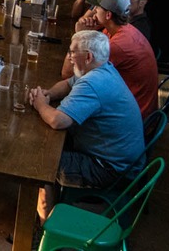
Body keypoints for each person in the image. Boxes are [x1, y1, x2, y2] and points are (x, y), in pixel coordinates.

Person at [28, 30, 145, 222]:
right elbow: (67, 83)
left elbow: (58, 121)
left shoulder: (93, 83)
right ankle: (49, 211)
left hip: (111, 169)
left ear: (88, 56)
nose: (70, 57)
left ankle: (45, 226)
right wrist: (48, 95)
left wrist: (40, 104)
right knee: (50, 147)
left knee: (41, 164)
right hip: (120, 158)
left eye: (73, 52)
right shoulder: (103, 69)